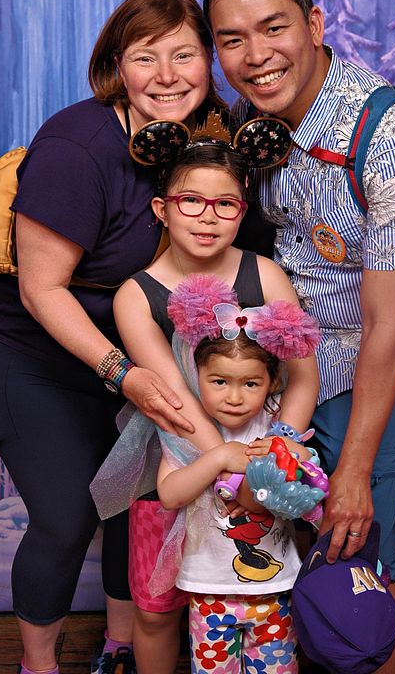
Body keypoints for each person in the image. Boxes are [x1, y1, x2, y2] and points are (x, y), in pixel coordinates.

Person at [0, 0, 236, 674]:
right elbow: (40, 289)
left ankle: (119, 647)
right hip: (30, 352)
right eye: (145, 57)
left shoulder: (209, 138)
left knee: (135, 501)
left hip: (135, 347)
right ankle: (38, 664)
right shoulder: (76, 147)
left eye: (184, 55)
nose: (167, 76)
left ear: (208, 62)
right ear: (117, 66)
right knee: (66, 513)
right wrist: (122, 373)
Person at [202, 0, 395, 672]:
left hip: (384, 352)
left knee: (359, 554)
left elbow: (388, 326)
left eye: (273, 28)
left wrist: (353, 470)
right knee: (290, 538)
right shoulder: (255, 122)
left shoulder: (393, 139)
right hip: (296, 353)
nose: (255, 57)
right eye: (231, 39)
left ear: (313, 24)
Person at [104, 135, 320, 674]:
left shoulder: (264, 275)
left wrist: (275, 454)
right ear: (162, 209)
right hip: (175, 454)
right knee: (155, 609)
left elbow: (302, 374)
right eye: (191, 201)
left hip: (261, 454)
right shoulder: (137, 295)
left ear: (242, 211)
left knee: (261, 592)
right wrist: (228, 467)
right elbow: (172, 396)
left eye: (225, 203)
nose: (207, 216)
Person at [155, 273, 323, 674]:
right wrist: (218, 458)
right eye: (219, 381)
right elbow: (169, 494)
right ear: (196, 375)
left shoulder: (274, 429)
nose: (233, 397)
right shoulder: (190, 434)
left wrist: (292, 452)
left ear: (271, 382)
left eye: (250, 383)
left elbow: (310, 484)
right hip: (209, 593)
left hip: (276, 590)